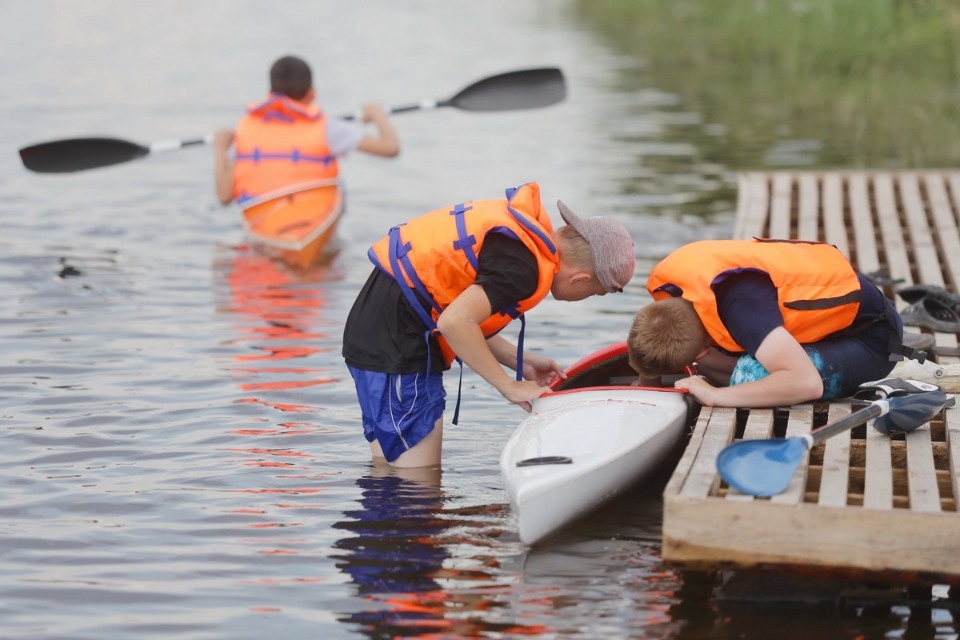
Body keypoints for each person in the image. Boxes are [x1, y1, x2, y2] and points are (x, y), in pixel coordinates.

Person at [342, 181, 636, 468]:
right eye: (595, 293)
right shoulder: (523, 270)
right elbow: (455, 322)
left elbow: (456, 315)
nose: (586, 298)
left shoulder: (520, 244)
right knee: (418, 482)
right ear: (581, 279)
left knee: (389, 469)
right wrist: (509, 387)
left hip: (377, 338)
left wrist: (522, 362)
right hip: (398, 352)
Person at [626, 238, 906, 408]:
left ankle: (766, 361)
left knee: (752, 376)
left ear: (702, 352)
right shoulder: (672, 286)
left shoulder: (743, 313)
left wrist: (714, 396)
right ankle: (775, 354)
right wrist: (646, 381)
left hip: (872, 339)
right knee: (727, 367)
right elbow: (657, 333)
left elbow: (806, 384)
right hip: (802, 326)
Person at [213, 55, 399, 205]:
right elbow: (391, 148)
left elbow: (224, 196)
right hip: (312, 216)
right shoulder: (327, 127)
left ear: (270, 91)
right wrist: (377, 115)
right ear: (312, 93)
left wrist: (221, 149)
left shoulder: (246, 127)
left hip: (262, 215)